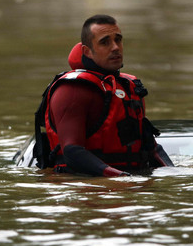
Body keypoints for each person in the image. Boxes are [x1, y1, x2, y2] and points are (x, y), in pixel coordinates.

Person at [33, 14, 172, 176]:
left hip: (130, 186)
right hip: (84, 189)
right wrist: (121, 178)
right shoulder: (72, 90)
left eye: (118, 40)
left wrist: (175, 173)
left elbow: (151, 147)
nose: (115, 47)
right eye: (105, 42)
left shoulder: (131, 87)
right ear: (87, 51)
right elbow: (72, 153)